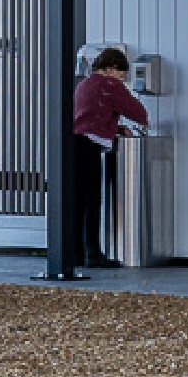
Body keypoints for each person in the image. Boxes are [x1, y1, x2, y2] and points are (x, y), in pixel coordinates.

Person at [71, 45, 149, 269]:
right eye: (122, 75)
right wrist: (141, 121)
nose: (122, 80)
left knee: (78, 203)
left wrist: (117, 129)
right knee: (92, 201)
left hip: (74, 143)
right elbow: (137, 111)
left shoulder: (84, 84)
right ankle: (93, 254)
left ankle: (76, 253)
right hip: (89, 148)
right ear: (112, 68)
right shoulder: (109, 85)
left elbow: (90, 116)